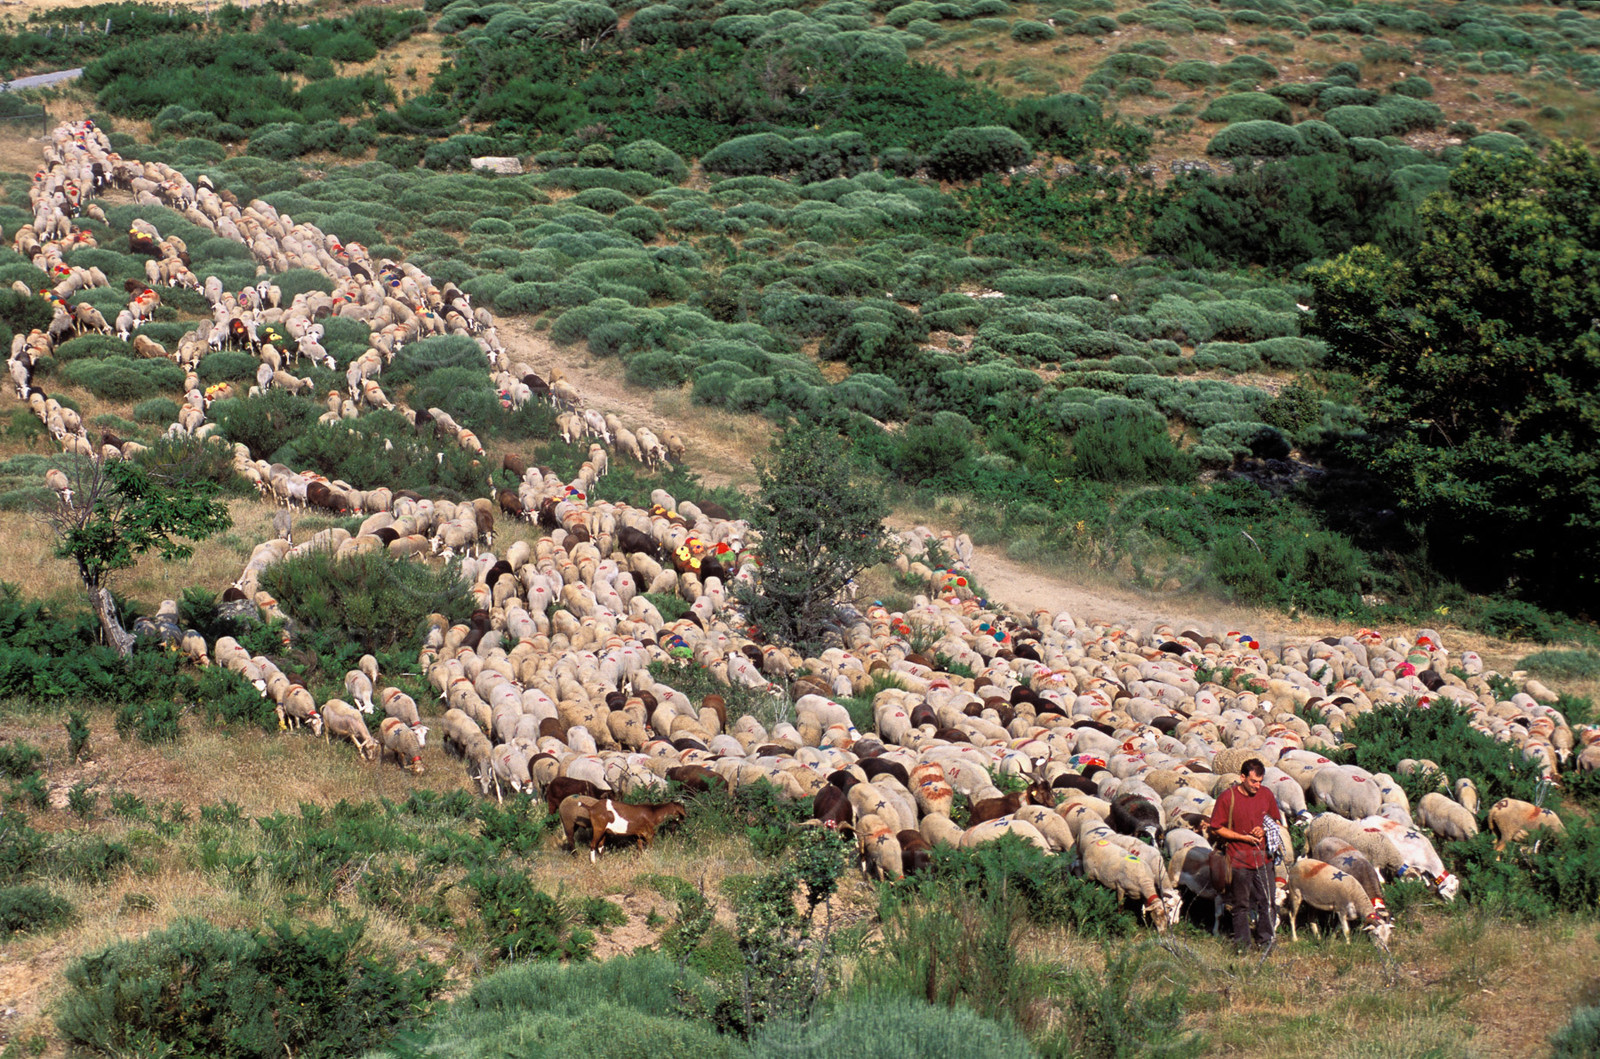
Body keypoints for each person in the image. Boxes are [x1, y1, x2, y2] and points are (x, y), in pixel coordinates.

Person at [1208, 758, 1283, 954]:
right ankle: (1242, 945)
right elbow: (1216, 827)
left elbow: (1275, 820)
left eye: (1260, 781)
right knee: (1240, 904)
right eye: (1253, 782)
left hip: (1263, 858)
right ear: (1242, 778)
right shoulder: (1227, 798)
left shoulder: (1265, 794)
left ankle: (1266, 941)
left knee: (1267, 901)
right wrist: (1242, 837)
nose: (1257, 786)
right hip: (1239, 858)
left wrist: (1264, 831)